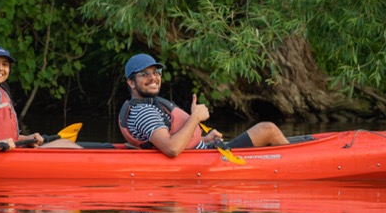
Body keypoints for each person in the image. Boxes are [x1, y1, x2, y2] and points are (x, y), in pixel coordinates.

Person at [119, 53, 289, 158]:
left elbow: (167, 140)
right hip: (206, 158)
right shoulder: (144, 112)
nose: (153, 77)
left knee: (267, 131)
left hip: (206, 150)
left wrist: (203, 139)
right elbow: (172, 149)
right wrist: (195, 118)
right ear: (131, 83)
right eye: (144, 74)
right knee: (268, 129)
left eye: (156, 72)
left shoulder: (148, 106)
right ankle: (294, 164)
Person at [0, 46, 81, 150]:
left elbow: (6, 137)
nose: (0, 68)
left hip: (7, 152)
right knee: (70, 147)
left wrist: (26, 138)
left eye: (5, 64)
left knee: (66, 143)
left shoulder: (1, 93)